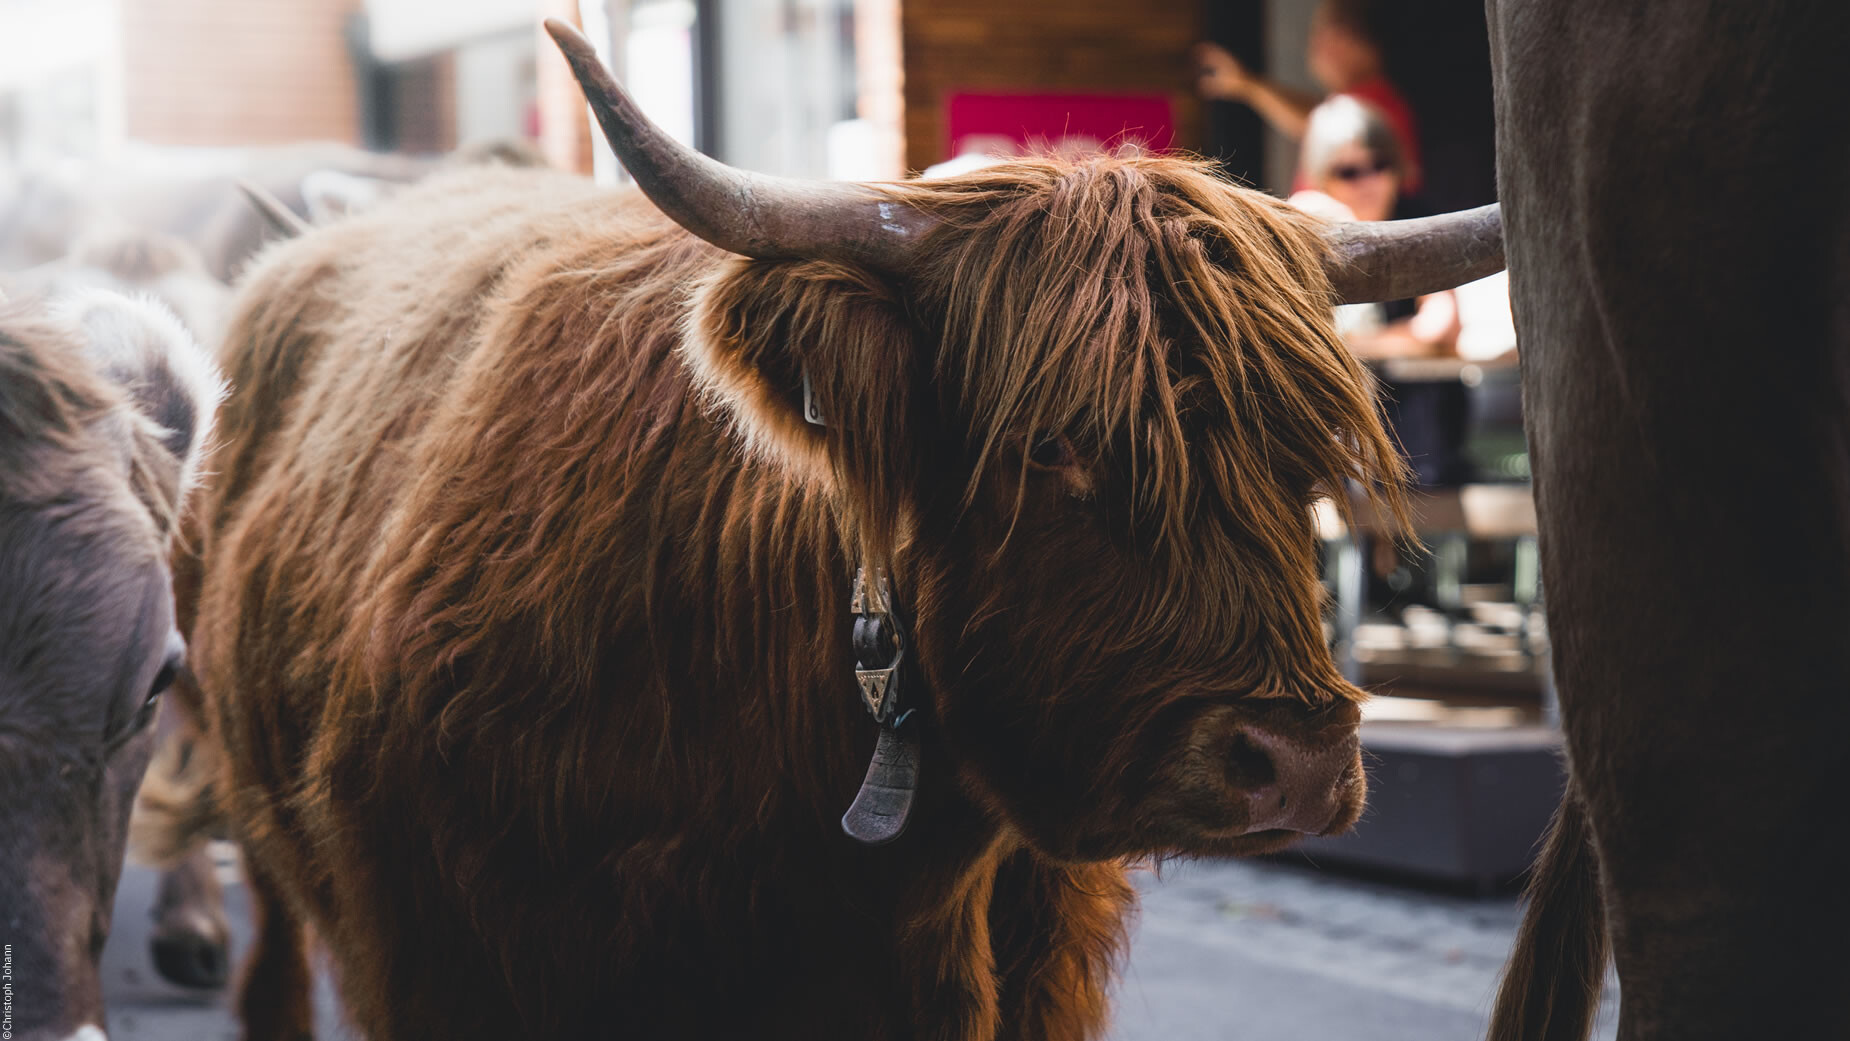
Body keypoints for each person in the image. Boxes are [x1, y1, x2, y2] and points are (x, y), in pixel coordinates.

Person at [1194, 0, 1421, 193]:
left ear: (1352, 38)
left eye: (1325, 30)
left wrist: (1247, 85)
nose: (1314, 42)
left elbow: (1316, 121)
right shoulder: (1365, 102)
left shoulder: (1374, 104)